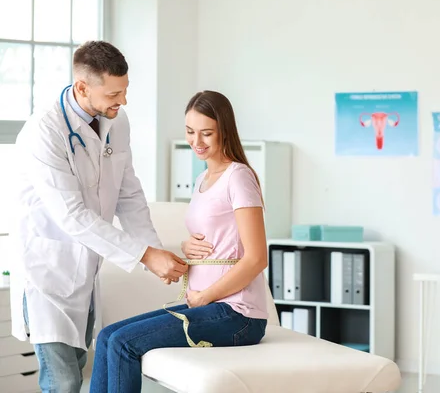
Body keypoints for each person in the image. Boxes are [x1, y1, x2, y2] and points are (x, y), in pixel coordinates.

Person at [8, 41, 213, 393]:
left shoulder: (116, 122)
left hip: (86, 270)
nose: (123, 101)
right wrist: (146, 255)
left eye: (125, 90)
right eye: (114, 93)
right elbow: (71, 216)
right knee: (63, 382)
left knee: (79, 366)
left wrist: (152, 253)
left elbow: (128, 193)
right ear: (82, 87)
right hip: (48, 272)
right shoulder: (44, 132)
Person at [89, 90, 269, 392]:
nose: (196, 142)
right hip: (206, 305)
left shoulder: (239, 177)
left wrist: (206, 295)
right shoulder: (202, 179)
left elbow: (256, 258)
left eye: (207, 133)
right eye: (190, 132)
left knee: (123, 344)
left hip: (237, 314)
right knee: (108, 336)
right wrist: (187, 247)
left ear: (225, 130)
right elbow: (217, 236)